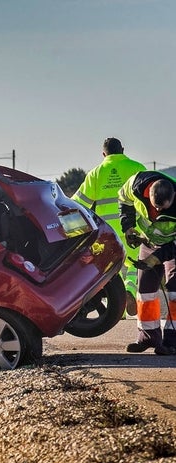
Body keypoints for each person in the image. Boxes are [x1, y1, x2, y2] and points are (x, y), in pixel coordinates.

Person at [72, 137, 146, 315]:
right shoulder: (137, 168)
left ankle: (118, 308)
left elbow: (79, 203)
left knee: (114, 268)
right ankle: (130, 290)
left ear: (104, 154)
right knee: (136, 263)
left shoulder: (96, 173)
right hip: (132, 227)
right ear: (123, 150)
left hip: (107, 230)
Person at [118, 171, 176, 355]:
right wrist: (128, 227)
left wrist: (156, 258)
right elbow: (123, 199)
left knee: (174, 290)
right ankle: (148, 337)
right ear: (148, 192)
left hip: (172, 246)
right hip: (149, 243)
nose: (157, 212)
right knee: (145, 292)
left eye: (162, 209)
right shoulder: (137, 183)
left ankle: (172, 341)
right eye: (155, 207)